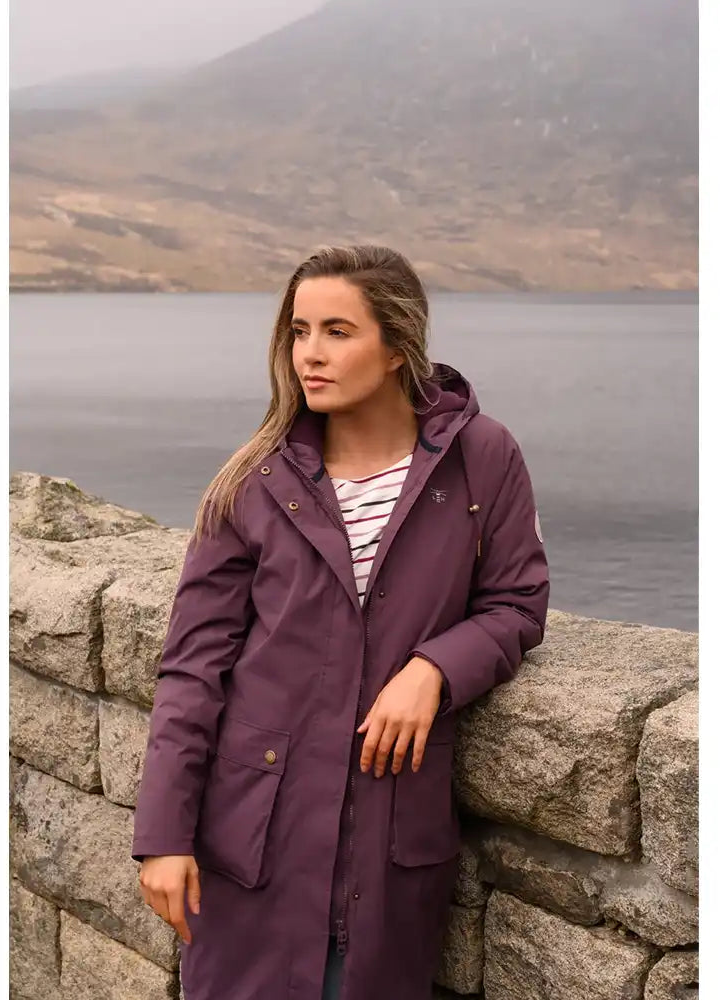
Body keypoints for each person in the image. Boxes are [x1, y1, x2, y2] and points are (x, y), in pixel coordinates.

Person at [131, 244, 549, 1000]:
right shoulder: (251, 482)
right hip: (256, 840)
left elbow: (517, 604)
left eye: (337, 332)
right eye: (298, 332)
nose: (309, 356)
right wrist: (162, 836)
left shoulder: (482, 460)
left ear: (397, 346)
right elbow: (193, 669)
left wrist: (435, 669)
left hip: (388, 843)